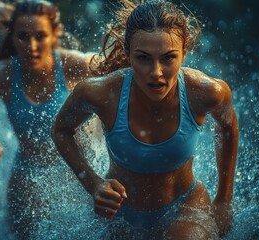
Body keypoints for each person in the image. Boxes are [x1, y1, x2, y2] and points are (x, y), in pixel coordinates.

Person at [52, 0, 239, 239]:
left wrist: (224, 200)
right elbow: (61, 130)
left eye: (168, 58)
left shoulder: (208, 92)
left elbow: (227, 128)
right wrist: (93, 184)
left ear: (184, 53)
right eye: (143, 58)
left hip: (185, 208)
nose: (156, 72)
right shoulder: (99, 93)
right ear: (128, 53)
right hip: (119, 214)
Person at [0, 1, 94, 239]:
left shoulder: (75, 65)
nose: (32, 46)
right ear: (12, 37)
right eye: (23, 36)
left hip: (77, 174)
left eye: (40, 36)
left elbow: (124, 75)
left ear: (54, 35)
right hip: (27, 178)